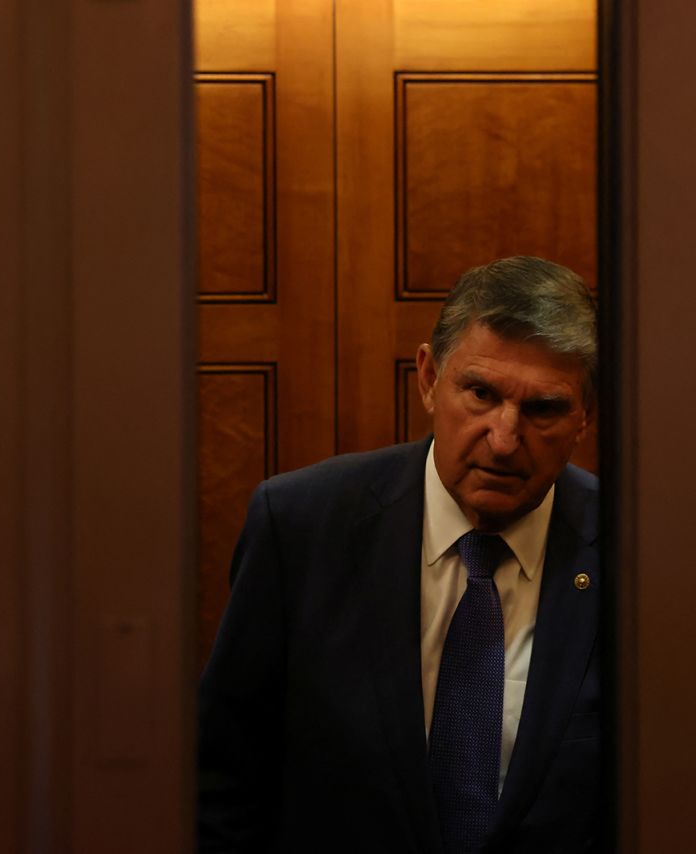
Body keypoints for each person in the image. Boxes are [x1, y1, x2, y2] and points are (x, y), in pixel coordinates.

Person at [198, 256, 604, 853]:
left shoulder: (633, 551)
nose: (504, 438)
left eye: (543, 409)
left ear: (585, 417)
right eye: (480, 393)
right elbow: (224, 781)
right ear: (429, 378)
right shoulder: (302, 527)